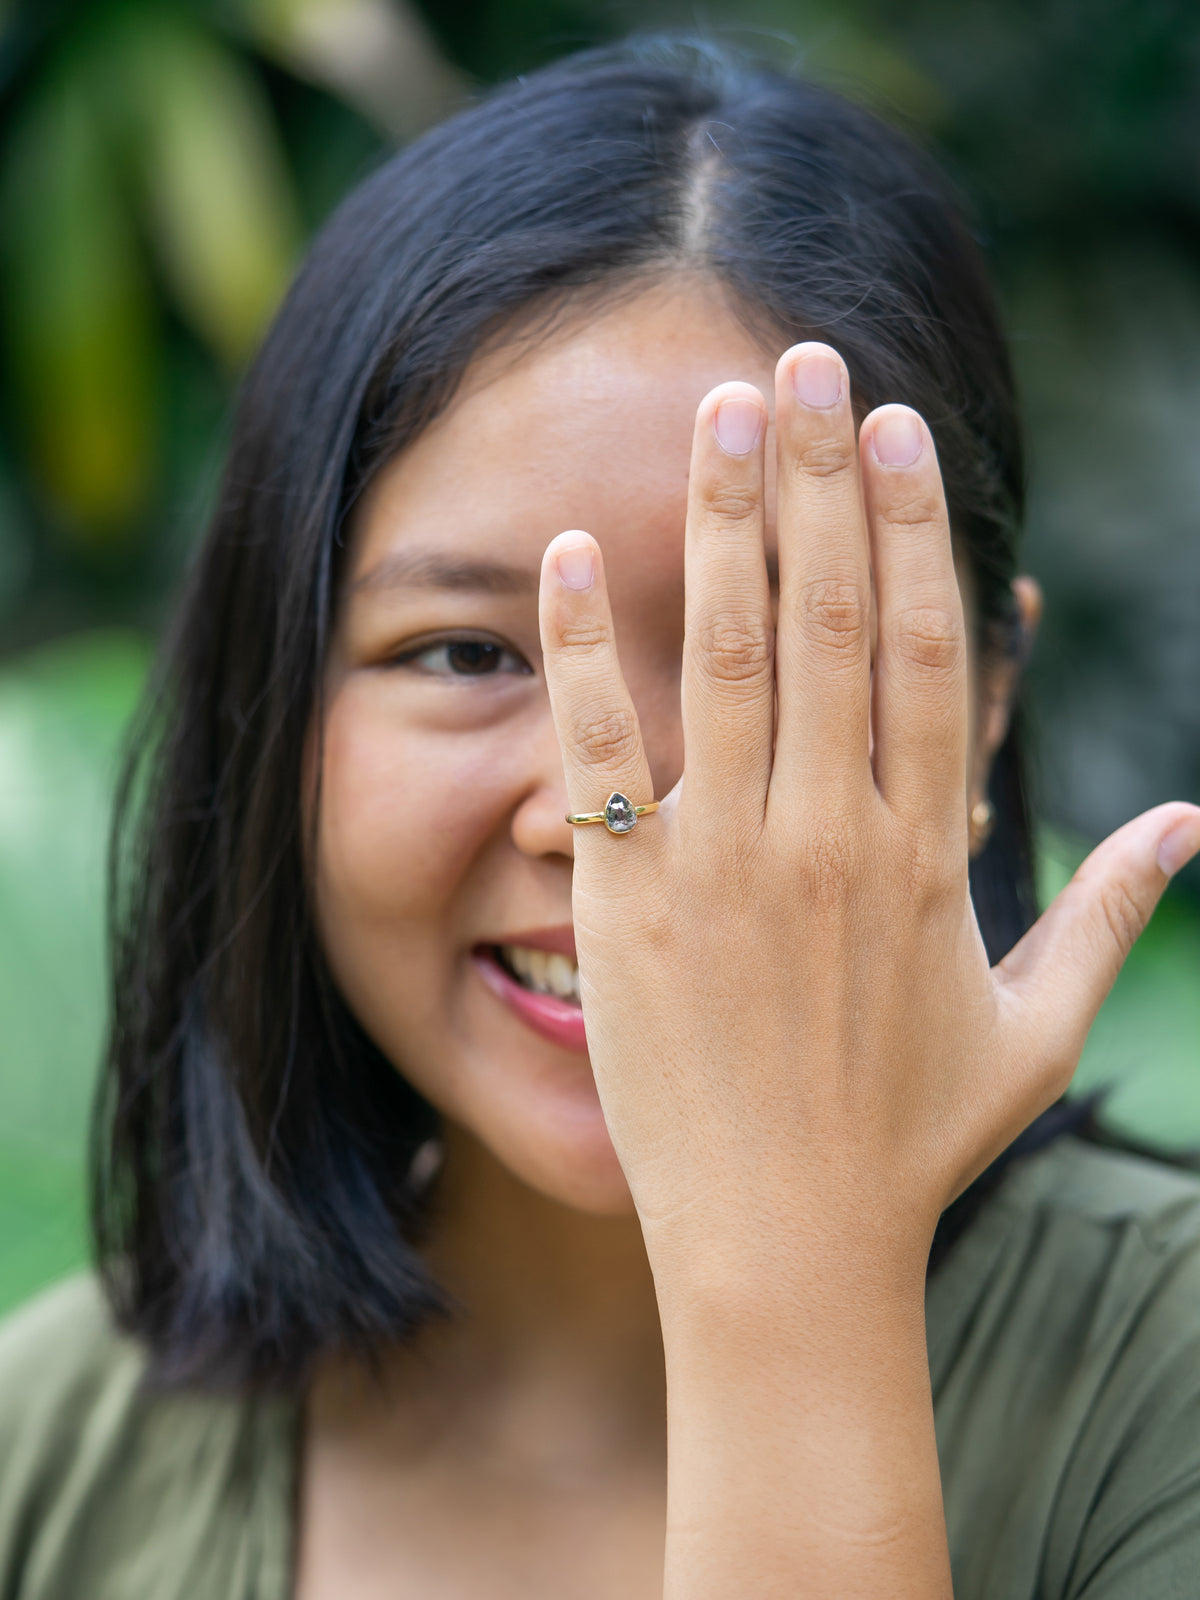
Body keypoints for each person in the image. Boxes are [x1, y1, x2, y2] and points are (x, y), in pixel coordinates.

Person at [2, 35, 1199, 1600]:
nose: (611, 807)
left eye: (763, 655)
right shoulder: (54, 1448)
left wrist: (795, 1261)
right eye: (470, 654)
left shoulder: (1160, 1389)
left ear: (975, 705)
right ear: (278, 708)